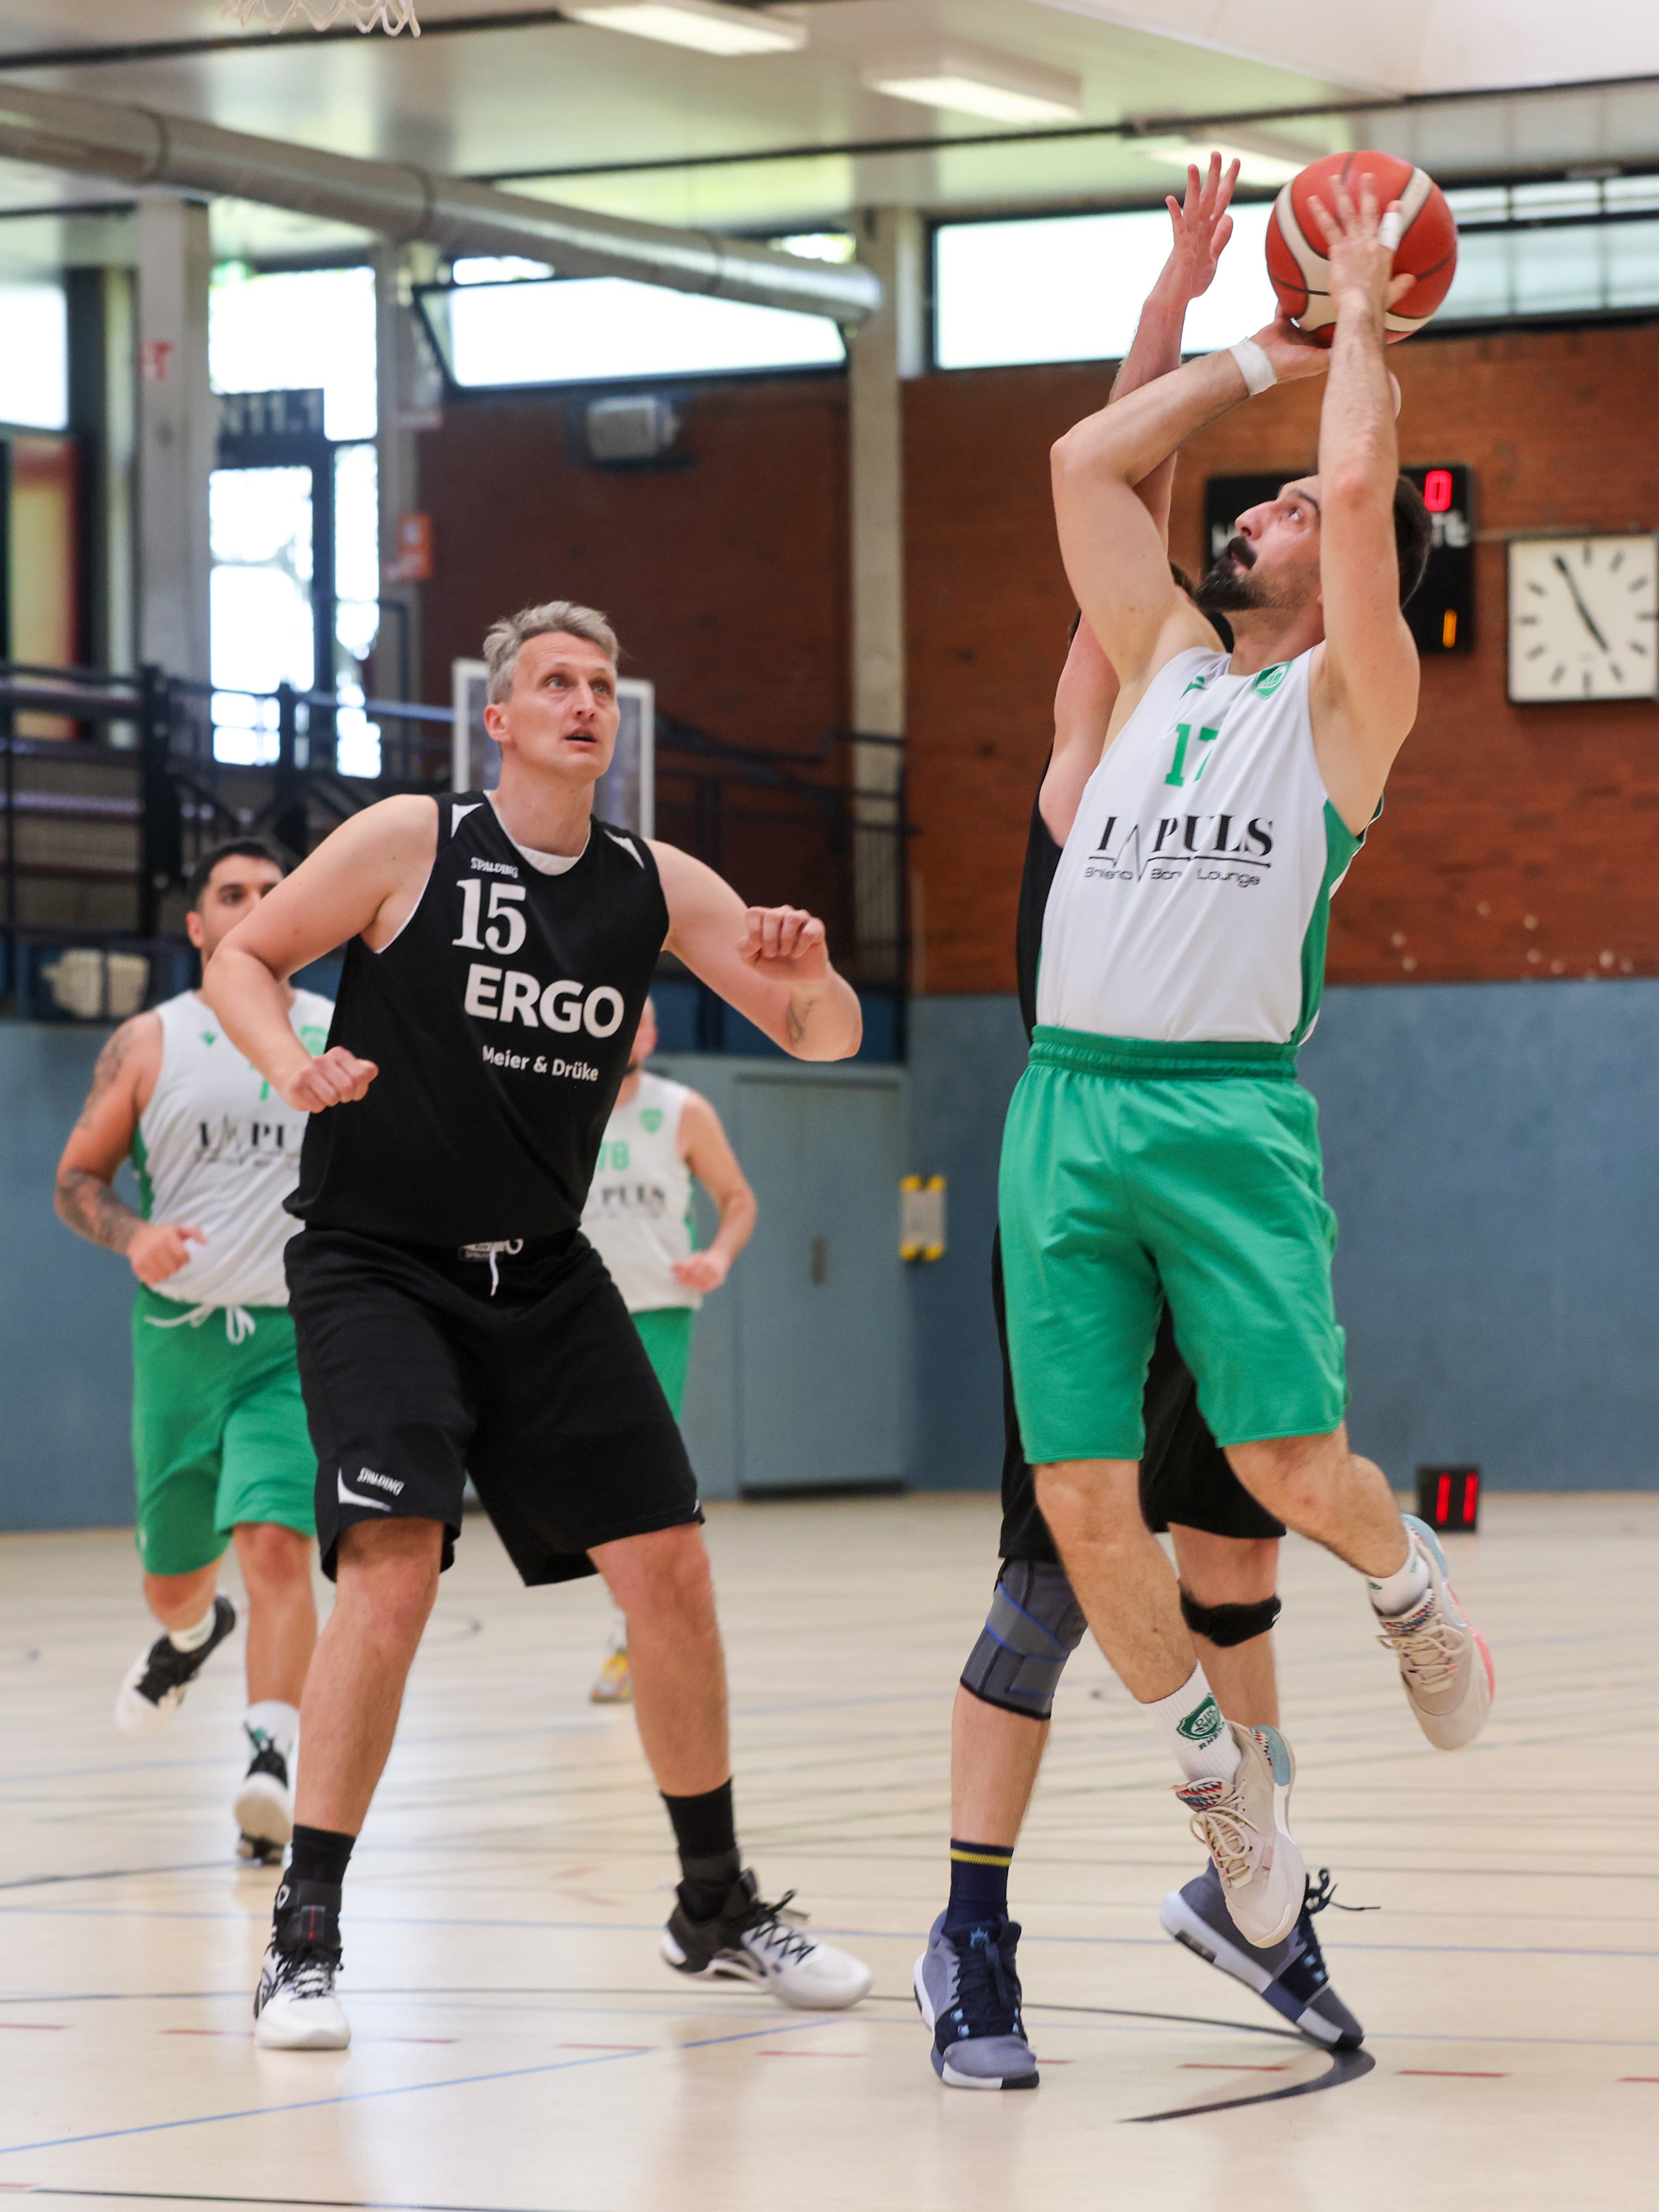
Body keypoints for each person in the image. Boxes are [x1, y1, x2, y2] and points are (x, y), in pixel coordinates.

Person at [201, 598, 874, 2050]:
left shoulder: (652, 882)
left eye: (603, 685)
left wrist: (810, 966)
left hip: (547, 1274)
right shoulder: (412, 842)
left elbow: (824, 1036)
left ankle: (714, 1903)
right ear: (497, 719)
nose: (585, 701)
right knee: (392, 1565)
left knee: (672, 1571)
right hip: (379, 1265)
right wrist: (290, 1068)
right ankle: (303, 1936)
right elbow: (241, 960)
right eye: (556, 681)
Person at [997, 169, 1494, 1958]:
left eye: (1285, 511)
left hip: (1223, 1112)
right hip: (1066, 1102)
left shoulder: (1349, 705)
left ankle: (1411, 1585)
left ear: (1348, 587)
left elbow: (1362, 491)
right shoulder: (1161, 665)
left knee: (1288, 1467)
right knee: (1080, 1498)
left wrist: (1359, 314)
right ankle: (1222, 1781)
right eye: (1262, 501)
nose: (1268, 507)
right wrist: (1251, 353)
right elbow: (1082, 465)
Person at [916, 164, 1360, 2095]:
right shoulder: (1123, 713)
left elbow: (1182, 516)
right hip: (1079, 1179)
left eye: (1289, 515)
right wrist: (1186, 304)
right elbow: (1122, 488)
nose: (1240, 534)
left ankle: (1254, 1887)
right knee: (1045, 1586)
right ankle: (971, 1933)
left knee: (1238, 1549)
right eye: (1234, 528)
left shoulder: (1289, 736)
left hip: (1212, 1166)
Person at [54, 839, 328, 1863]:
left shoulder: (343, 1034)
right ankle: (189, 1633)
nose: (256, 906)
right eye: (233, 894)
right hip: (179, 1338)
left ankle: (270, 1763)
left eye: (276, 893)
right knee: (174, 1579)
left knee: (278, 1547)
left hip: (294, 1341)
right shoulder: (151, 1040)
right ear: (199, 925)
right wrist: (136, 1237)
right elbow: (76, 1179)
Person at [583, 993, 756, 1703]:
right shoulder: (565, 1105)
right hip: (575, 1317)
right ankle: (638, 1615)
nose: (627, 1028)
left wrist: (717, 1255)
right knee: (589, 1483)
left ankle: (634, 1633)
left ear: (652, 1033)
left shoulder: (683, 1109)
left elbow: (738, 1198)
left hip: (656, 1313)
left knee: (639, 1479)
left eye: (640, 1017)